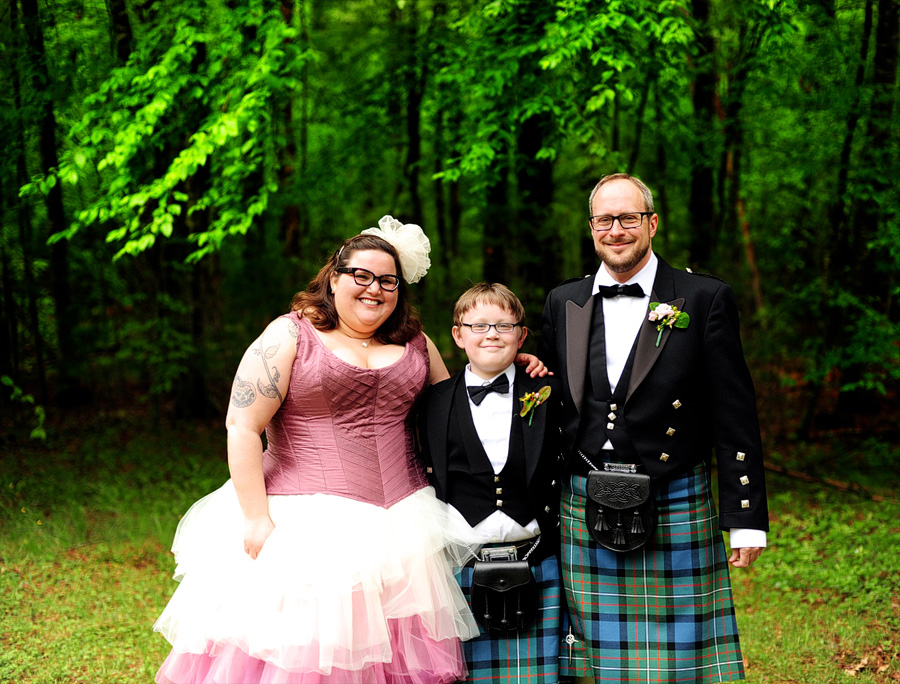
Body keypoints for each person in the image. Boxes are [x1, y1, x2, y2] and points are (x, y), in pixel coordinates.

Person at [153, 216, 546, 684]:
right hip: (306, 524)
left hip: (405, 524)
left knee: (396, 657)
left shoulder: (416, 343)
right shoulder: (289, 335)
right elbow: (241, 424)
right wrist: (256, 516)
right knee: (311, 657)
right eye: (361, 276)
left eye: (387, 281)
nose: (374, 289)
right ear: (333, 278)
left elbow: (458, 404)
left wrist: (512, 362)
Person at [539, 174, 769, 683]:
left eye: (628, 218)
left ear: (652, 223)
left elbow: (734, 412)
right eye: (604, 219)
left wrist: (745, 514)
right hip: (584, 496)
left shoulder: (703, 297)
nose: (615, 230)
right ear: (591, 226)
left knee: (680, 660)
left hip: (674, 492)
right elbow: (552, 402)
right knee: (596, 656)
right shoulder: (564, 302)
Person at [418, 283, 564, 684]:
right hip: (461, 561)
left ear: (521, 335)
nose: (492, 334)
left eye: (503, 324)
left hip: (537, 556)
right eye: (478, 325)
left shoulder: (551, 392)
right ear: (457, 334)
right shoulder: (429, 403)